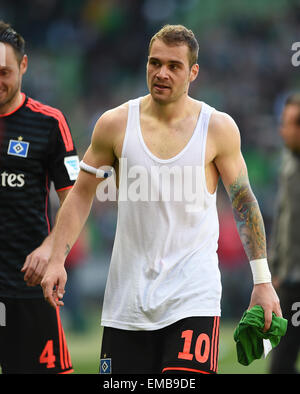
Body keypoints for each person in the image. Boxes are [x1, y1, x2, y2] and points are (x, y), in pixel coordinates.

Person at [42, 24, 281, 374]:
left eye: (174, 65)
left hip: (192, 297)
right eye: (154, 63)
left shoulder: (216, 128)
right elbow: (80, 195)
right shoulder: (114, 124)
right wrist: (56, 258)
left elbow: (244, 203)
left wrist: (262, 281)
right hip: (127, 302)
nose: (161, 73)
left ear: (193, 72)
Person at [0, 21, 79, 374]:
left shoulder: (49, 123)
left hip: (28, 287)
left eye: (4, 72)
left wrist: (50, 249)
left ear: (24, 66)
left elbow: (76, 199)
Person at [268, 93, 300, 374]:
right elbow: (283, 220)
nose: (282, 129)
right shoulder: (288, 164)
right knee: (280, 364)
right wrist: (275, 267)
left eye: (288, 123)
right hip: (291, 282)